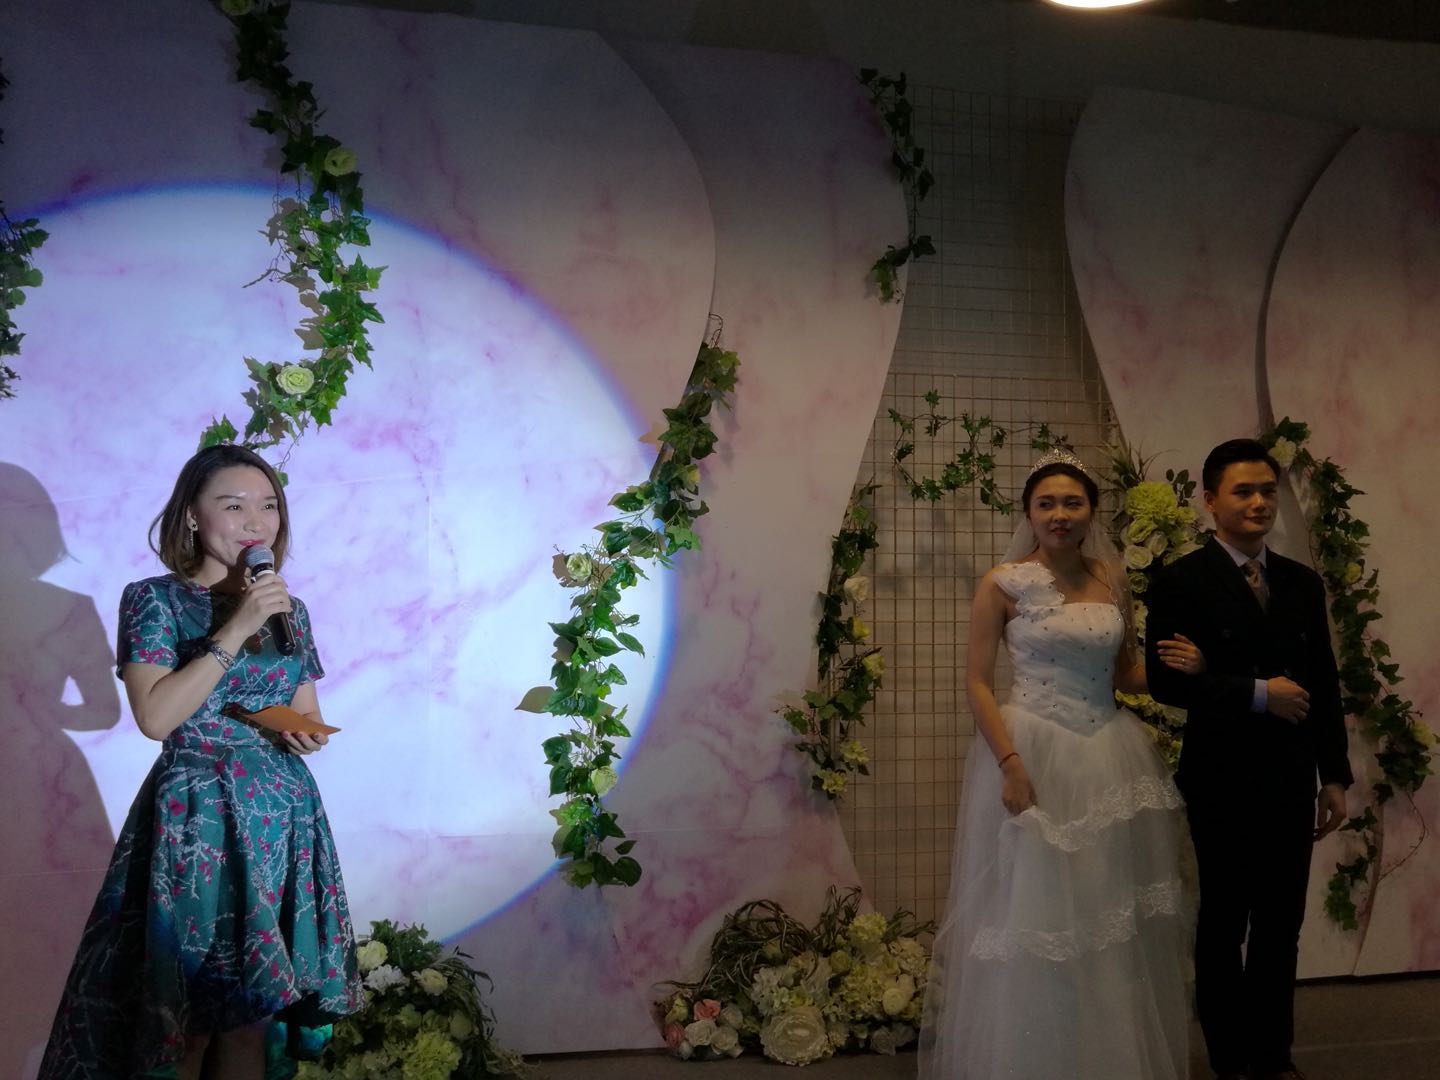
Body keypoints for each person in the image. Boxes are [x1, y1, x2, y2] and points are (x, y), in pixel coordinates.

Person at [38, 445, 362, 1080]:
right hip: (200, 816)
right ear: (191, 514)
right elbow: (157, 718)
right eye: (233, 506)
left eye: (268, 506)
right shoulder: (153, 599)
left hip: (278, 817)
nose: (255, 522)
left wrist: (303, 733)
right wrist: (237, 627)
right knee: (185, 1018)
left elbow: (302, 707)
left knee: (251, 1018)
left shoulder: (288, 607)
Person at [920, 450, 1204, 1080]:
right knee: (1036, 909)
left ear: (1091, 511)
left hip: (1109, 754)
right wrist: (1010, 762)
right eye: (1046, 503)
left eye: (1072, 503)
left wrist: (1189, 671)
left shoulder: (1112, 577)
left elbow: (1125, 673)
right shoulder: (1002, 583)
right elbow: (977, 682)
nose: (1059, 514)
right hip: (1034, 751)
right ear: (1028, 513)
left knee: (1107, 909)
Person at [1145, 439, 1350, 1080]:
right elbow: (1166, 681)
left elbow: (1322, 682)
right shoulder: (1180, 581)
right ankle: (1230, 1060)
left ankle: (1274, 1056)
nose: (1259, 502)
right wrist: (1258, 692)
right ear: (1210, 500)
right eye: (1243, 491)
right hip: (1221, 779)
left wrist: (1334, 775)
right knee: (1224, 922)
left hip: (1290, 775)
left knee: (1281, 925)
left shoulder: (1300, 582)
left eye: (1267, 490)